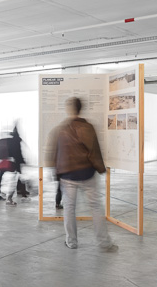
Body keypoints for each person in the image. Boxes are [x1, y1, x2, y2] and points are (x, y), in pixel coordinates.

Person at [47, 96, 116, 251]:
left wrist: (56, 173)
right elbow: (94, 151)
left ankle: (71, 242)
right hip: (87, 174)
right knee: (96, 207)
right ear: (81, 108)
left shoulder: (61, 130)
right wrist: (101, 169)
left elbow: (55, 153)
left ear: (69, 109)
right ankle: (104, 243)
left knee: (69, 208)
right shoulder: (88, 128)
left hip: (67, 176)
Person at [0, 127, 24, 206]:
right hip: (9, 163)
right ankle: (9, 199)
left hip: (0, 162)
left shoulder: (5, 140)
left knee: (0, 179)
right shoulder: (15, 141)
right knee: (14, 179)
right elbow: (17, 154)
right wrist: (20, 163)